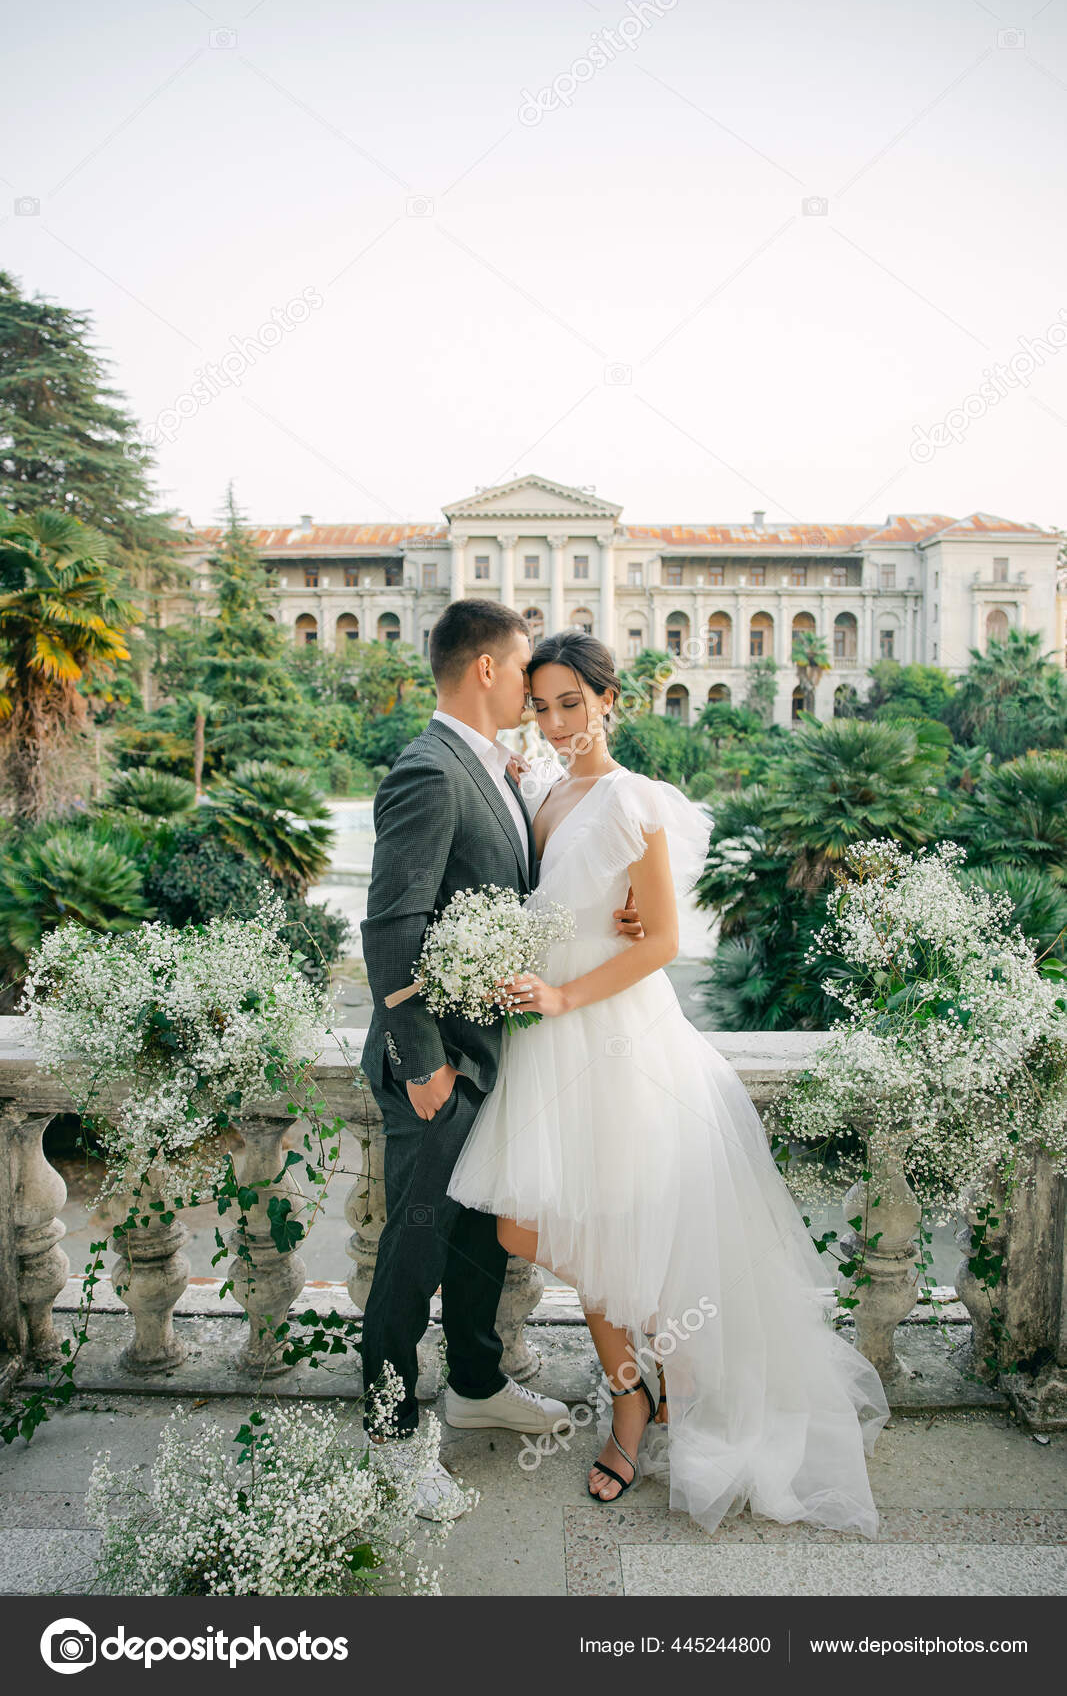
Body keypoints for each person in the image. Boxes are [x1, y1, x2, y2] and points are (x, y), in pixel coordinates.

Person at [447, 628, 891, 1537]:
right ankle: (647, 1381)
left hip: (611, 1037)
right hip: (546, 1046)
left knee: (595, 1230)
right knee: (525, 1223)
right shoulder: (539, 790)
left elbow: (658, 942)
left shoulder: (630, 799)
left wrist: (566, 986)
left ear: (611, 700)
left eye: (573, 702)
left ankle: (636, 1403)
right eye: (541, 705)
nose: (557, 719)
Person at [359, 600, 643, 1520]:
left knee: (481, 1240)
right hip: (439, 1062)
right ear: (486, 669)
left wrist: (616, 913)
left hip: (497, 1056)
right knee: (412, 1252)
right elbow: (392, 923)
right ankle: (394, 1440)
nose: (533, 688)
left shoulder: (497, 769)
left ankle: (476, 1385)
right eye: (524, 669)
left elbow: (527, 888)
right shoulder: (427, 771)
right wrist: (420, 1061)